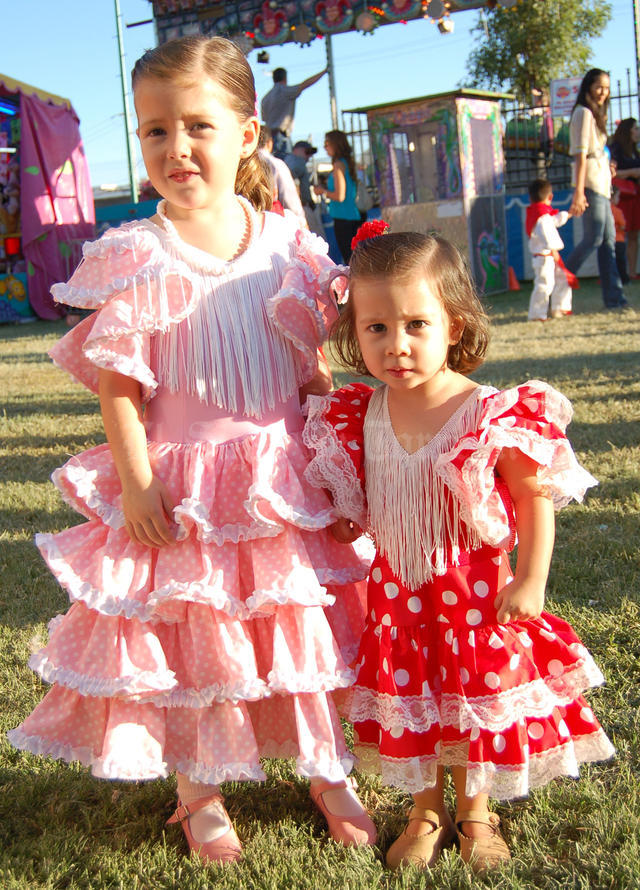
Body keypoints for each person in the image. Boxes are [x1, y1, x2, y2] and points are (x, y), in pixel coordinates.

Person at [8, 35, 377, 865]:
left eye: (198, 126)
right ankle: (199, 789)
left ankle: (327, 768)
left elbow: (308, 365)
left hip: (282, 481)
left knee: (298, 629)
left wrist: (348, 449)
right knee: (194, 637)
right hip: (186, 485)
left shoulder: (289, 244)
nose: (177, 148)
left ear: (247, 133)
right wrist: (137, 485)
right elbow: (119, 387)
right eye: (154, 131)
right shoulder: (137, 255)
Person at [303, 225, 615, 874]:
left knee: (472, 705)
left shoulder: (487, 412)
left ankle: (475, 809)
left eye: (417, 324)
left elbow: (531, 498)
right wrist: (344, 523)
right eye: (377, 328)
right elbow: (367, 497)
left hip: (473, 605)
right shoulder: (362, 415)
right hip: (398, 599)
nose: (397, 345)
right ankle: (425, 808)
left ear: (455, 323)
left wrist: (530, 579)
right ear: (353, 334)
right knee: (415, 705)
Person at [565, 69, 628, 309]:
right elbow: (580, 155)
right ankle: (560, 280)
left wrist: (607, 166)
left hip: (602, 185)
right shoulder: (582, 113)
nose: (604, 92)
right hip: (590, 185)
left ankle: (615, 298)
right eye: (599, 86)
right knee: (593, 239)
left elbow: (595, 153)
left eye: (607, 88)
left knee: (608, 241)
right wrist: (578, 192)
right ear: (588, 86)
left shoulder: (595, 116)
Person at [525, 178, 574, 321]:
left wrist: (570, 213)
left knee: (561, 280)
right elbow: (547, 235)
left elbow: (555, 220)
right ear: (550, 197)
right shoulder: (542, 217)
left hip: (546, 255)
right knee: (544, 285)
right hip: (545, 256)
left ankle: (559, 307)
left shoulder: (539, 213)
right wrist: (554, 250)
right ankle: (537, 315)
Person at [313, 130, 361, 263]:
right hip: (351, 215)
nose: (325, 147)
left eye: (327, 144)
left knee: (350, 260)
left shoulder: (339, 164)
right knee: (354, 258)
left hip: (343, 217)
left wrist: (322, 191)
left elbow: (340, 196)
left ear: (335, 144)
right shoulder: (346, 162)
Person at [260, 66, 327, 159]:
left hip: (269, 137)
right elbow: (304, 85)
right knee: (284, 166)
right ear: (285, 78)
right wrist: (323, 72)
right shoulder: (285, 91)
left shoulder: (265, 98)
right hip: (281, 138)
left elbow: (264, 118)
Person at [608, 117, 640, 279]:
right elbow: (610, 171)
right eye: (635, 128)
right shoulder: (616, 148)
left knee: (634, 233)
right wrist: (631, 172)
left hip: (635, 194)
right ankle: (617, 272)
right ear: (627, 130)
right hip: (621, 196)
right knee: (619, 232)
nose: (637, 131)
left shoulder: (635, 149)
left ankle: (632, 272)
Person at [259, 126, 308, 227]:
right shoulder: (275, 164)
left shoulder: (239, 163)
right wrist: (302, 223)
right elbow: (289, 198)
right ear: (270, 143)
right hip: (272, 223)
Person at [284, 141, 325, 238]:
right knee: (316, 240)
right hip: (303, 207)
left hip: (298, 208)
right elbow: (292, 176)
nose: (309, 155)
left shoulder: (289, 161)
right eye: (306, 152)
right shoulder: (297, 161)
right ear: (296, 150)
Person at [611, 185, 630, 284]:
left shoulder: (606, 210)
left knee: (610, 262)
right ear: (613, 198)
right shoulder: (617, 211)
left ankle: (612, 279)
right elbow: (623, 225)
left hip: (608, 240)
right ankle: (624, 279)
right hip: (619, 240)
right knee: (621, 262)